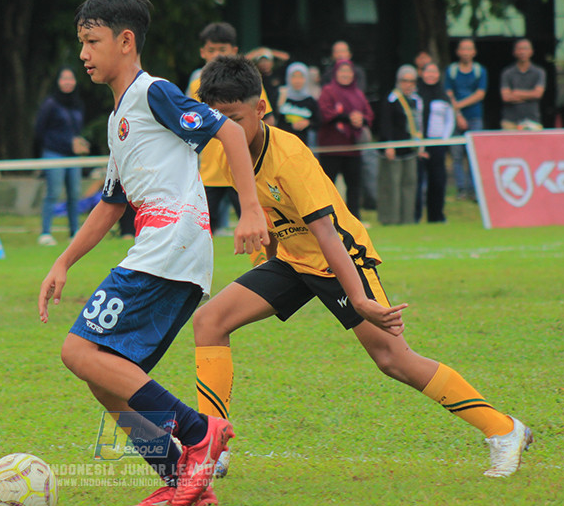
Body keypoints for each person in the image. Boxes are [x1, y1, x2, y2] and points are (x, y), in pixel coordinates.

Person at [193, 54, 533, 481]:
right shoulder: (223, 147)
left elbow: (327, 233)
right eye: (215, 119)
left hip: (339, 260)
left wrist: (358, 298)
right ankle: (212, 446)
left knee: (393, 359)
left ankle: (503, 430)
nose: (224, 128)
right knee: (209, 322)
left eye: (233, 117)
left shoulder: (289, 156)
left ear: (261, 108)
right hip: (292, 261)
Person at [37, 0, 268, 506]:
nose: (83, 54)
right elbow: (111, 203)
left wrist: (250, 208)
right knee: (103, 375)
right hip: (168, 251)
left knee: (78, 352)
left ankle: (199, 433)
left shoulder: (153, 92)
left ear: (125, 41)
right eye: (81, 43)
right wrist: (63, 261)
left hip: (168, 246)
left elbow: (230, 131)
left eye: (91, 42)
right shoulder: (121, 115)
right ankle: (182, 475)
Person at [188, 23, 273, 238]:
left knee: (261, 230)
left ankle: (268, 270)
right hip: (209, 174)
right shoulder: (196, 86)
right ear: (202, 52)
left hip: (244, 170)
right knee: (198, 235)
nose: (216, 55)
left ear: (234, 51)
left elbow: (267, 121)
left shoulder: (248, 82)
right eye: (211, 50)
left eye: (222, 50)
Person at [34, 67, 87, 246]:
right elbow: (39, 130)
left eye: (70, 79)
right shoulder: (50, 103)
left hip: (73, 156)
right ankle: (45, 233)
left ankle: (74, 232)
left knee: (74, 193)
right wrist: (62, 143)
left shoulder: (78, 104)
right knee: (53, 192)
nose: (67, 82)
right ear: (58, 81)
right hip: (54, 153)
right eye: (64, 79)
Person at [317, 60, 373, 220]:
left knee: (354, 186)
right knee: (327, 186)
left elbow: (368, 114)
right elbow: (324, 113)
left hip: (353, 150)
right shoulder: (328, 91)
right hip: (331, 148)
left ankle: (354, 218)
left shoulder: (358, 94)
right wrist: (348, 118)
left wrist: (360, 119)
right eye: (342, 71)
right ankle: (326, 219)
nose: (346, 75)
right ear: (335, 73)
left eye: (349, 71)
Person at [376, 65, 422, 225]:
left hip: (410, 150)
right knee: (392, 185)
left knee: (409, 184)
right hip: (394, 150)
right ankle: (390, 219)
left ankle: (407, 219)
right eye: (405, 81)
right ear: (398, 81)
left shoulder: (416, 100)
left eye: (411, 81)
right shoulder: (392, 99)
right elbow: (386, 123)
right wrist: (389, 144)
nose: (408, 84)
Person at [445, 38, 488, 200]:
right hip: (455, 118)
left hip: (475, 117)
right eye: (462, 49)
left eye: (469, 49)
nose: (465, 52)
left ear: (474, 52)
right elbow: (448, 93)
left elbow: (480, 94)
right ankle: (461, 189)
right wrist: (458, 114)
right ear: (458, 52)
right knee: (456, 156)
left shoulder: (480, 71)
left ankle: (474, 190)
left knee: (474, 155)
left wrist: (458, 106)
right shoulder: (451, 71)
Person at [416, 62, 456, 224]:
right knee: (418, 182)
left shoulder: (444, 96)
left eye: (434, 72)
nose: (431, 75)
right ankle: (416, 216)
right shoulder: (416, 95)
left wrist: (444, 140)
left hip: (437, 143)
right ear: (422, 74)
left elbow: (450, 119)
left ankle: (437, 216)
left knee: (438, 181)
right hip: (419, 143)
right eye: (428, 71)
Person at [500, 39, 545, 131]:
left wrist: (516, 93)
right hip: (510, 121)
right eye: (520, 49)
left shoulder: (539, 72)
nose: (522, 52)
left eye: (525, 49)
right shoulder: (507, 73)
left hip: (533, 120)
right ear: (514, 52)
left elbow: (538, 94)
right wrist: (529, 96)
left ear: (531, 52)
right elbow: (505, 97)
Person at [276, 61, 319, 147]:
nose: (297, 81)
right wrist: (279, 103)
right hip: (283, 144)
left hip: (304, 144)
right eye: (294, 77)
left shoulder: (310, 100)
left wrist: (308, 123)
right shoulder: (281, 96)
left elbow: (318, 121)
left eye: (301, 77)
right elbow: (274, 118)